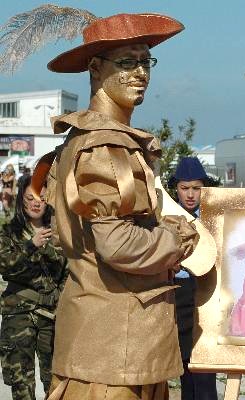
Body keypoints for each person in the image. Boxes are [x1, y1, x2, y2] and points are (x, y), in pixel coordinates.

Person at [32, 12, 201, 399]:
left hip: (114, 343)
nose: (140, 72)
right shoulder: (105, 146)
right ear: (95, 68)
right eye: (126, 62)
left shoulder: (85, 140)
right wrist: (181, 235)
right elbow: (119, 245)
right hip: (114, 354)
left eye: (146, 61)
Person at [0, 175, 68, 400]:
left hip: (51, 316)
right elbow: (6, 267)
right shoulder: (10, 233)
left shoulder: (60, 233)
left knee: (55, 382)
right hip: (18, 315)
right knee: (21, 384)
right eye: (30, 197)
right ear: (22, 200)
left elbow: (69, 271)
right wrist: (31, 246)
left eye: (40, 197)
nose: (36, 202)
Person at [170, 157, 218, 400]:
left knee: (205, 362)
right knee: (183, 363)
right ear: (176, 188)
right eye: (184, 188)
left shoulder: (213, 216)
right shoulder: (165, 216)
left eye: (196, 188)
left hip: (208, 290)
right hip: (176, 291)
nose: (190, 194)